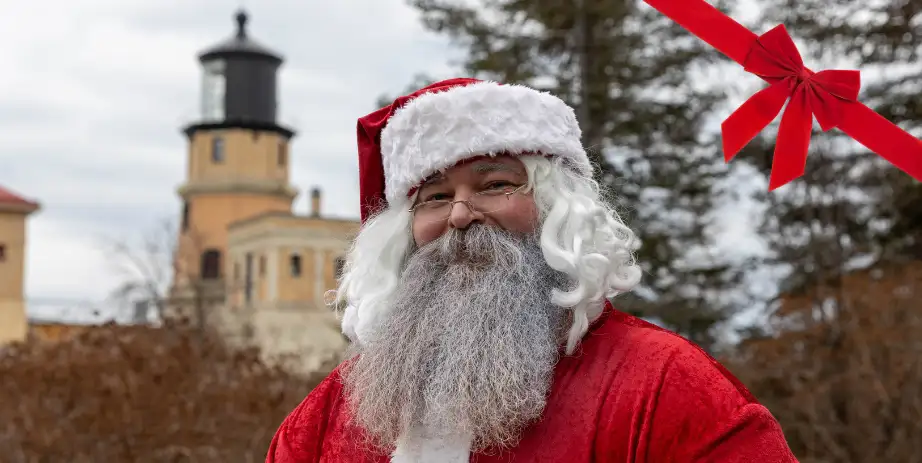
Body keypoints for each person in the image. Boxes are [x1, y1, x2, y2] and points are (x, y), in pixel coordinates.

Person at [265, 78, 798, 462]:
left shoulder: (663, 385)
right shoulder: (331, 414)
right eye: (435, 196)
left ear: (555, 206)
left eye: (495, 184)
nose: (459, 215)